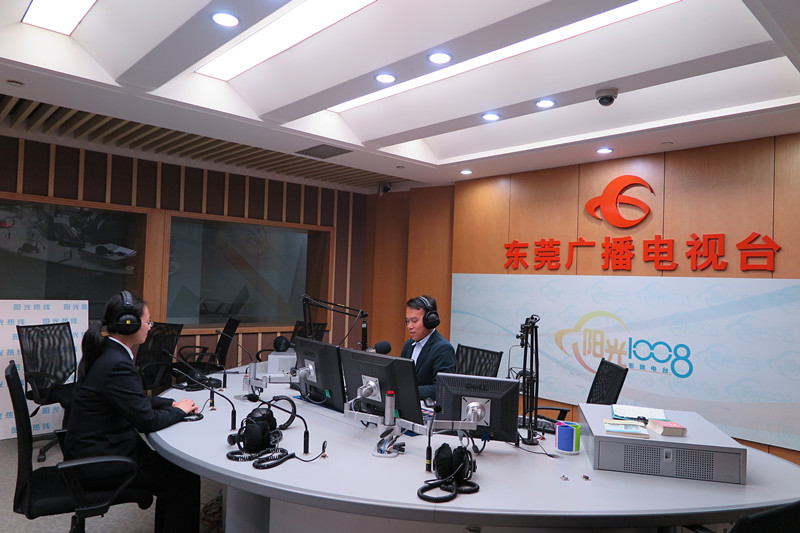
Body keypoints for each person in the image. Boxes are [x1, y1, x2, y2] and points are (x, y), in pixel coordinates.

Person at [65, 291, 201, 533]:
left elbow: (131, 400)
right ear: (129, 324)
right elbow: (146, 422)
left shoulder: (107, 352)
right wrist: (180, 412)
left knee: (179, 473)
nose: (150, 326)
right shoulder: (117, 363)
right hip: (102, 462)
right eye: (148, 321)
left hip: (92, 449)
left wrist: (169, 404)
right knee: (184, 479)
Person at [400, 295, 456, 400]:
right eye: (407, 321)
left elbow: (441, 389)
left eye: (414, 321)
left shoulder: (443, 349)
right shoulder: (409, 344)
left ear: (430, 320)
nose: (409, 326)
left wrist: (407, 391)